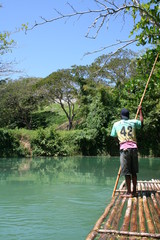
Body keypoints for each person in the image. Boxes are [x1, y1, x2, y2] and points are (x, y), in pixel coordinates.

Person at [110, 106, 143, 197]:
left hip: (124, 149)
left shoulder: (116, 124)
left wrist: (120, 142)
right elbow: (141, 122)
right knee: (134, 172)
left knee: (126, 172)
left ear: (121, 116)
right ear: (128, 116)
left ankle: (129, 192)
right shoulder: (133, 122)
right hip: (134, 148)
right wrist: (140, 111)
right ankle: (135, 191)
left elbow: (113, 136)